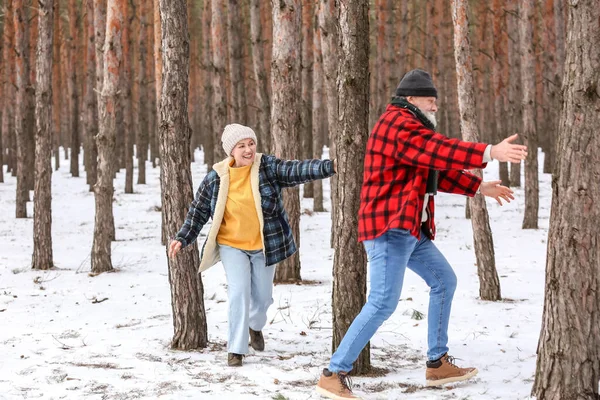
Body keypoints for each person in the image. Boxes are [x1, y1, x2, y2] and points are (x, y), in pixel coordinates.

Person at [315, 69, 527, 399]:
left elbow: (434, 172)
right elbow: (439, 150)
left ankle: (437, 363)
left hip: (409, 228)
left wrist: (478, 186)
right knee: (383, 302)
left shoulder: (412, 128)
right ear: (411, 99)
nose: (436, 106)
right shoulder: (398, 124)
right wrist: (489, 152)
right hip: (389, 228)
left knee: (444, 281)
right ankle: (334, 372)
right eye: (431, 100)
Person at [169, 123, 336, 367]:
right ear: (231, 151)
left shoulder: (267, 167)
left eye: (251, 143)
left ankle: (254, 326)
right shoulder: (216, 178)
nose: (248, 149)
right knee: (238, 293)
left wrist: (328, 166)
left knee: (263, 297)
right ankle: (235, 349)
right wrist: (183, 237)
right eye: (242, 145)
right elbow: (199, 211)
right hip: (231, 245)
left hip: (263, 246)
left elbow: (295, 170)